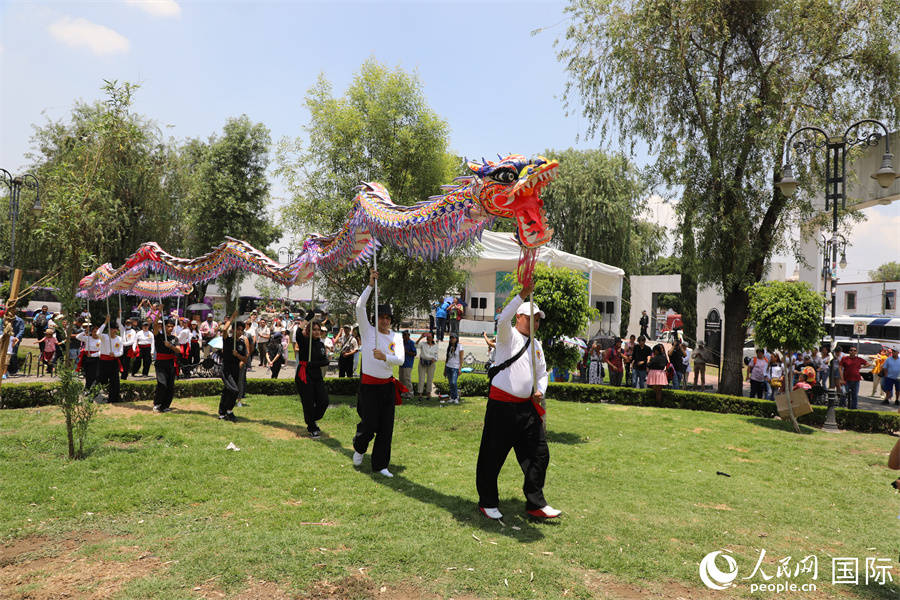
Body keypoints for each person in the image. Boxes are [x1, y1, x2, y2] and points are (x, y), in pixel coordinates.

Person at [476, 281, 559, 520]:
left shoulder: (537, 345)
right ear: (519, 317)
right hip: (502, 407)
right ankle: (487, 501)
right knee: (492, 455)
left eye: (538, 319)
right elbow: (502, 319)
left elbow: (542, 374)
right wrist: (522, 294)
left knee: (540, 454)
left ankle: (535, 503)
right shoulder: (507, 336)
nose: (536, 322)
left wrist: (540, 390)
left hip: (527, 409)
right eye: (532, 317)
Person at [352, 270, 405, 477]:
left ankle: (381, 464)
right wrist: (370, 286)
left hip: (387, 387)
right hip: (369, 386)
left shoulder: (396, 337)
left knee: (386, 427)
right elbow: (359, 306)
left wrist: (385, 357)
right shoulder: (368, 331)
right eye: (381, 317)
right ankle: (359, 446)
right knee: (369, 424)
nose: (385, 321)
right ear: (376, 319)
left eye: (388, 318)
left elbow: (399, 359)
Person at [296, 319, 330, 437]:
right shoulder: (305, 341)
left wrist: (319, 363)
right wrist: (306, 320)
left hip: (317, 376)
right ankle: (311, 426)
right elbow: (298, 333)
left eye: (318, 330)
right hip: (304, 375)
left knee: (324, 401)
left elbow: (324, 360)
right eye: (314, 330)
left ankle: (310, 418)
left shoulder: (321, 344)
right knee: (308, 402)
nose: (316, 332)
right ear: (309, 331)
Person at [218, 311, 246, 422]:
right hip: (226, 369)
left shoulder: (242, 343)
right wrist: (233, 317)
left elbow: (245, 358)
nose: (239, 332)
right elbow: (224, 330)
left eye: (241, 330)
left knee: (227, 391)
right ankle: (229, 411)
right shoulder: (228, 340)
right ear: (233, 330)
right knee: (234, 390)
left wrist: (238, 355)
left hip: (236, 369)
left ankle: (222, 413)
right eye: (237, 329)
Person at [152, 318, 181, 413]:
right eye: (168, 326)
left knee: (170, 386)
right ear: (164, 326)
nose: (170, 328)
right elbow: (155, 325)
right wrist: (159, 312)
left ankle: (165, 405)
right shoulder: (159, 336)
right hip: (160, 363)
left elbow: (179, 350)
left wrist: (170, 346)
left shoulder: (174, 338)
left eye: (172, 326)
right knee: (162, 384)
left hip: (170, 363)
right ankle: (157, 404)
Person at [97, 314, 125, 403]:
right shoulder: (104, 337)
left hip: (113, 362)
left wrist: (115, 354)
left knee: (115, 381)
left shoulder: (119, 339)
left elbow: (121, 352)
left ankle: (113, 399)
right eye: (111, 329)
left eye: (115, 329)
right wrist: (106, 321)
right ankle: (96, 397)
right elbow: (98, 333)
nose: (113, 331)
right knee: (101, 380)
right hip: (103, 362)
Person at [76, 322, 102, 391]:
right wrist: (85, 331)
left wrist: (93, 355)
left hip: (96, 359)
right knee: (88, 375)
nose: (95, 333)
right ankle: (87, 388)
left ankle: (94, 389)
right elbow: (78, 337)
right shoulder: (88, 338)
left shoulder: (101, 340)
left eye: (97, 332)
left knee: (96, 375)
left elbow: (101, 351)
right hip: (87, 358)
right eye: (94, 332)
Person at [417, 331, 439, 398]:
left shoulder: (436, 346)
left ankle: (428, 393)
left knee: (430, 379)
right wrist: (421, 337)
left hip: (431, 363)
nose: (428, 338)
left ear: (433, 338)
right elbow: (415, 345)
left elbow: (436, 355)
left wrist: (434, 359)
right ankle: (420, 393)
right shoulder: (423, 344)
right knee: (421, 379)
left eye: (430, 337)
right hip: (422, 363)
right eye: (427, 337)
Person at [444, 333, 464, 404]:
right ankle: (452, 397)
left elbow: (461, 358)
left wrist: (460, 368)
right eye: (451, 338)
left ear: (456, 339)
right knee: (450, 383)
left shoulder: (459, 346)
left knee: (453, 382)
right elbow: (447, 358)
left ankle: (456, 397)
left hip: (455, 367)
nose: (452, 339)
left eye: (453, 338)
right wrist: (445, 369)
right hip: (448, 366)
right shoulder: (449, 347)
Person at [399, 331, 416, 400]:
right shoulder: (402, 343)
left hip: (408, 364)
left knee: (407, 379)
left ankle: (410, 394)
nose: (403, 337)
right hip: (401, 363)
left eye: (405, 335)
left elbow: (414, 353)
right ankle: (403, 393)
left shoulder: (411, 343)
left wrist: (406, 352)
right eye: (403, 335)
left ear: (408, 335)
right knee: (401, 379)